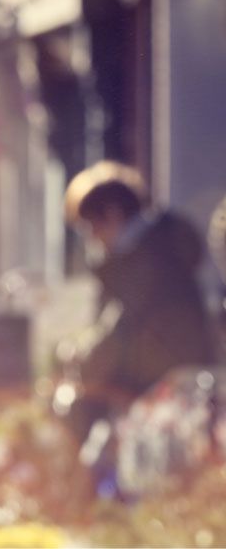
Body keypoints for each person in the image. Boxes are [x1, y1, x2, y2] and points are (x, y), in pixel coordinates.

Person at [63, 161, 221, 447]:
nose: (91, 238)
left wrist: (79, 363)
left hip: (160, 393)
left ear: (112, 213)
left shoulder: (144, 259)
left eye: (90, 226)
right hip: (178, 389)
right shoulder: (160, 246)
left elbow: (120, 330)